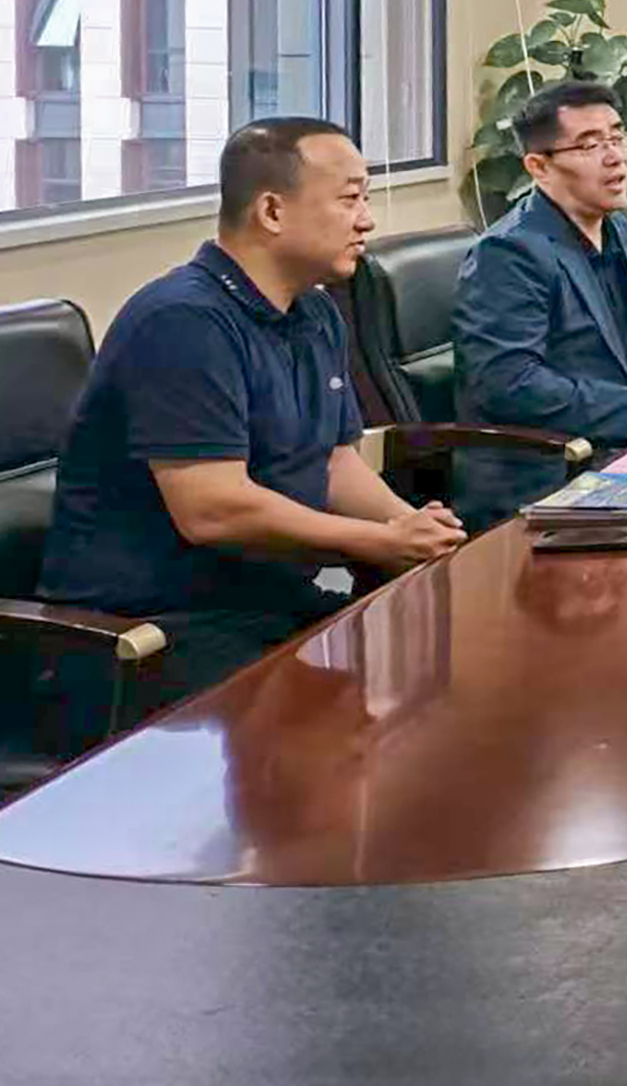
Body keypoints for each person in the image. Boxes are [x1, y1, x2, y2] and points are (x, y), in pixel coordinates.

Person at [36, 119, 467, 698]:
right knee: (363, 712)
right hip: (157, 630)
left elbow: (332, 462)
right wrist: (376, 543)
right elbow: (213, 510)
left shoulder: (314, 312)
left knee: (445, 668)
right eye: (349, 199)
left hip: (266, 602)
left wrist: (414, 531)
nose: (367, 219)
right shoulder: (183, 322)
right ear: (271, 211)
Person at [451, 80, 627, 529]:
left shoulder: (616, 225)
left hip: (622, 453)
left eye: (617, 137)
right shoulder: (508, 253)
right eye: (590, 145)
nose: (615, 156)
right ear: (539, 166)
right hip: (547, 474)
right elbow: (507, 384)